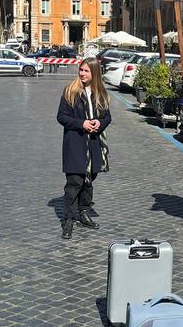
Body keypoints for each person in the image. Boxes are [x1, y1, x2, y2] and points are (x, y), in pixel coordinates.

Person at [56, 57, 111, 240]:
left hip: (94, 144)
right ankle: (69, 219)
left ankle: (84, 212)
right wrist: (82, 124)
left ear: (94, 73)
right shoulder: (70, 91)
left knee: (88, 181)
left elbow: (107, 117)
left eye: (86, 71)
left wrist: (99, 123)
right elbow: (61, 117)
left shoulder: (100, 93)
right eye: (81, 70)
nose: (82, 73)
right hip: (75, 143)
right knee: (74, 182)